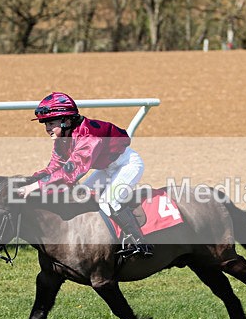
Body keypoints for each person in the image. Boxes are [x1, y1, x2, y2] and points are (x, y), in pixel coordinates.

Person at [17, 91, 152, 258]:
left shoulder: (89, 137)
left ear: (66, 120)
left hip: (127, 164)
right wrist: (29, 181)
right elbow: (54, 167)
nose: (47, 129)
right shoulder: (63, 138)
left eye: (51, 123)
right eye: (45, 125)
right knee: (81, 196)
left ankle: (140, 243)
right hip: (106, 168)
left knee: (108, 201)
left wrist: (36, 186)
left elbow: (70, 174)